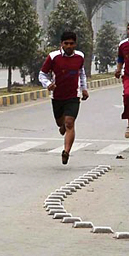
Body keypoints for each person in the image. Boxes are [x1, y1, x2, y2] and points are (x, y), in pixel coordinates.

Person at [38, 30, 89, 163]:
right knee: (61, 123)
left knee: (70, 123)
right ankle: (62, 126)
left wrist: (84, 89)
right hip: (57, 96)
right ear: (61, 44)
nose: (69, 46)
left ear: (75, 44)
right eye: (66, 43)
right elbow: (42, 74)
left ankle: (66, 151)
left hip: (73, 96)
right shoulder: (53, 57)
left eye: (71, 44)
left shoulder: (80, 57)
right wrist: (48, 84)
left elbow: (81, 73)